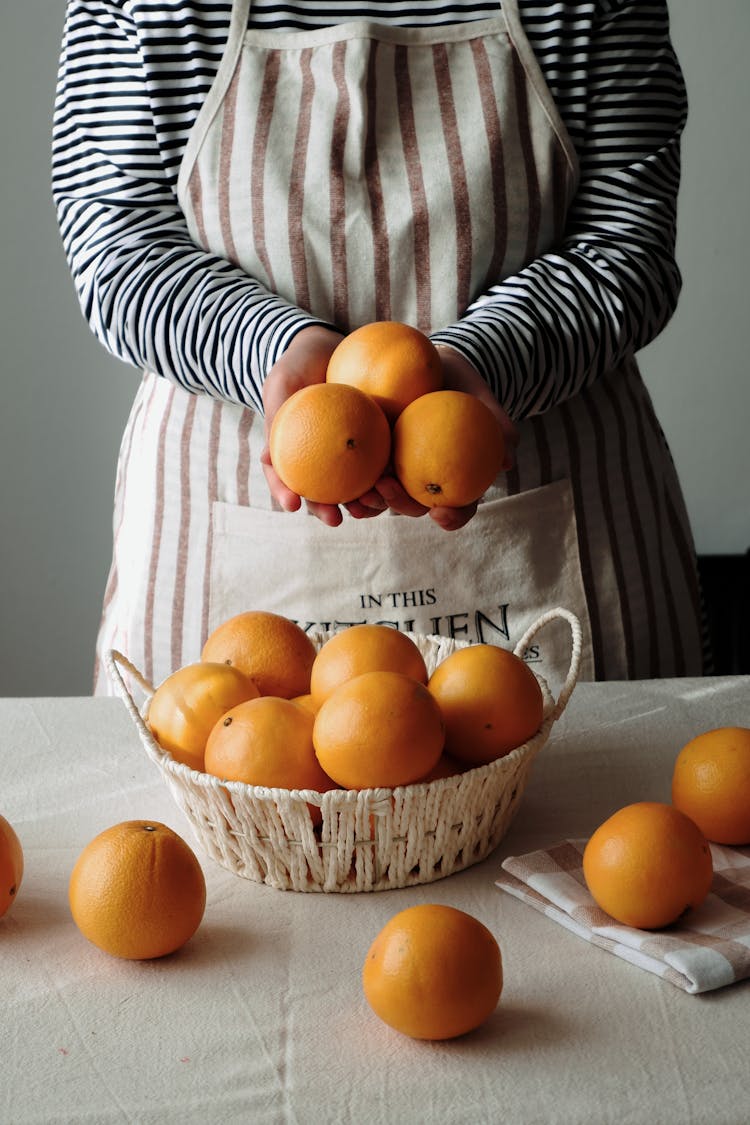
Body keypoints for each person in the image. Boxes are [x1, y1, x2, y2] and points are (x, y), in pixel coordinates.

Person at [52, 0, 706, 694]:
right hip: (232, 497)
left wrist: (478, 365)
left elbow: (624, 244)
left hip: (553, 510)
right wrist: (276, 349)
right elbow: (117, 245)